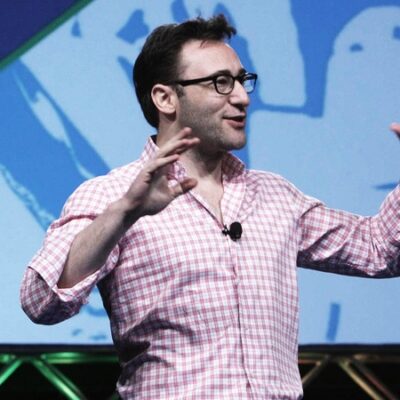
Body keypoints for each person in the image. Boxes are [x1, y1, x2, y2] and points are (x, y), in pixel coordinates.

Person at [20, 14, 400, 399]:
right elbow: (41, 302)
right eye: (220, 82)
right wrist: (124, 214)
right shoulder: (112, 195)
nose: (242, 97)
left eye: (241, 80)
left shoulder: (276, 196)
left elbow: (379, 250)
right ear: (165, 98)